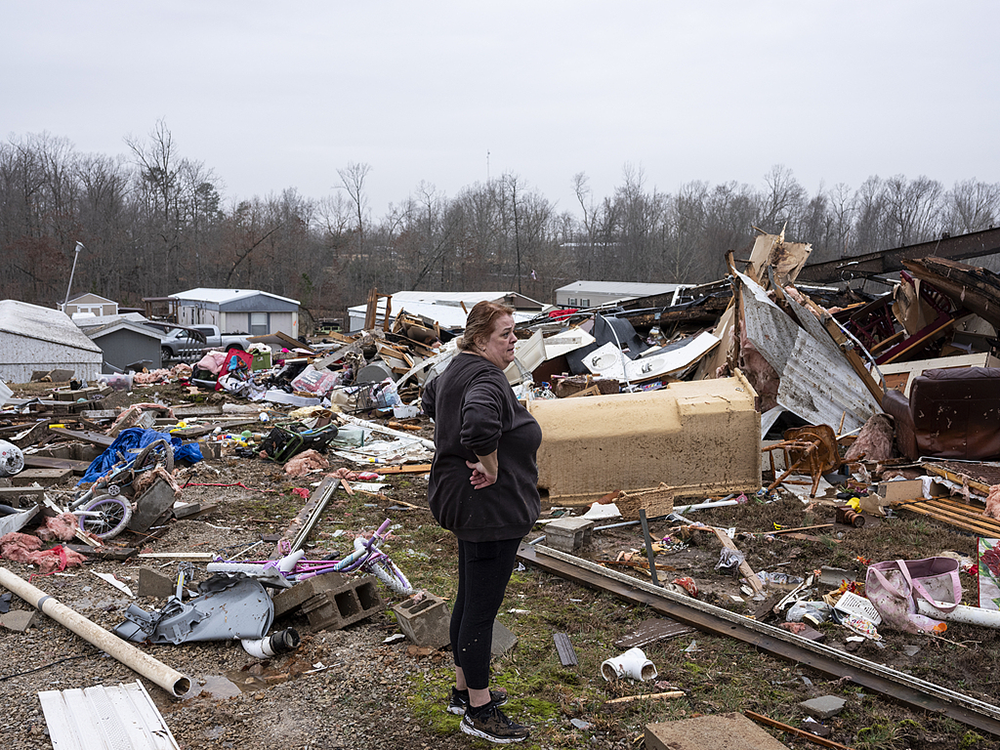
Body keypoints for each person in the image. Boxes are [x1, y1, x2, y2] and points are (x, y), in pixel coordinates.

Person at [421, 301, 542, 744]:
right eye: (505, 334)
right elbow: (477, 425)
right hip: (487, 508)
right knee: (481, 610)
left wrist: (453, 446)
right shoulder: (487, 378)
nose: (514, 341)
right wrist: (488, 463)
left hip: (464, 501)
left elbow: (429, 398)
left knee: (469, 597)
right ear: (478, 339)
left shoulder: (455, 367)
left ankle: (461, 689)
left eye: (515, 332)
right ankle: (479, 708)